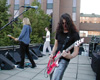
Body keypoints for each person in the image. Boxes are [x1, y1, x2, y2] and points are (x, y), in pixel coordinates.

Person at [49, 13, 80, 80]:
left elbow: (76, 51)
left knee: (56, 78)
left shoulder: (74, 34)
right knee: (51, 77)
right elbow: (55, 45)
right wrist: (52, 54)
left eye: (66, 23)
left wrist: (70, 56)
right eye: (62, 23)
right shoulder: (59, 32)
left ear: (70, 23)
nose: (64, 25)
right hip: (56, 58)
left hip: (64, 59)